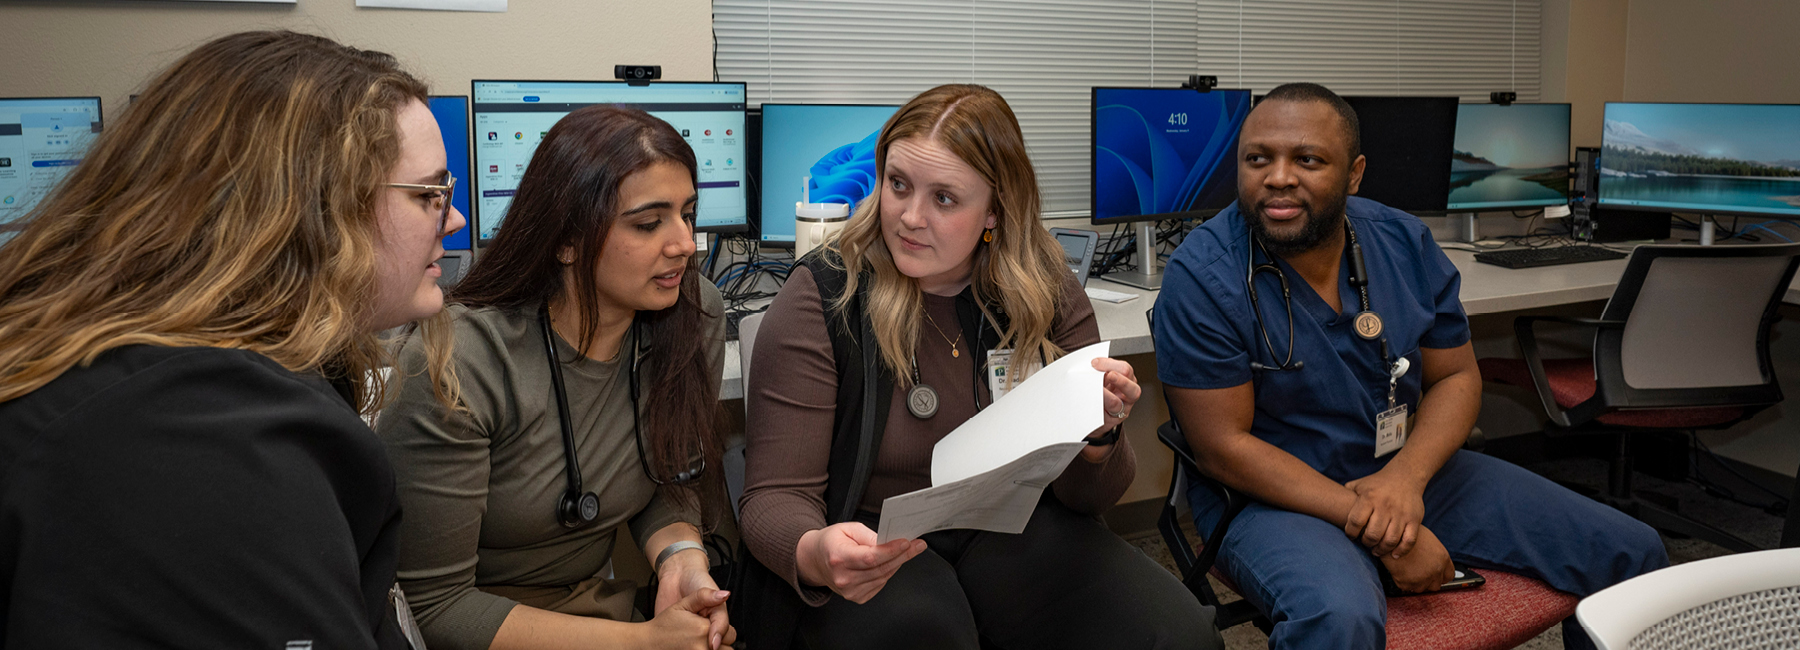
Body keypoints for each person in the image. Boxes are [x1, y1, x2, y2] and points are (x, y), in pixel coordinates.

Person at [1152, 82, 1669, 650]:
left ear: (1354, 174)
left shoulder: (1401, 240)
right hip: (1271, 498)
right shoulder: (1203, 275)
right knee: (1338, 618)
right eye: (1258, 159)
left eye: (1308, 159)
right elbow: (1223, 447)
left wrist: (1403, 480)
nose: (1278, 177)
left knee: (1633, 552)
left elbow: (1455, 376)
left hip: (1409, 469)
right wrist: (1388, 531)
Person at [0, 31, 462, 648]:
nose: (453, 218)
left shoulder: (154, 377)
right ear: (316, 212)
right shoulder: (203, 444)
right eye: (430, 194)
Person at [739, 83, 1221, 650]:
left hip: (1011, 524)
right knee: (923, 634)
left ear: (994, 209)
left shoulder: (1043, 290)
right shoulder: (823, 295)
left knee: (1177, 633)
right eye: (898, 185)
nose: (909, 217)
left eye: (945, 198)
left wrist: (1098, 438)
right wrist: (814, 551)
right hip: (875, 537)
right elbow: (773, 497)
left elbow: (1092, 499)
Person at [376, 105, 734, 650]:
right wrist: (643, 644)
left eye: (689, 213)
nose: (684, 242)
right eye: (648, 222)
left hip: (602, 611)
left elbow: (670, 476)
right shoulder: (460, 358)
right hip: (483, 626)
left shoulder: (692, 314)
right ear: (564, 241)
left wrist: (682, 560)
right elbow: (437, 609)